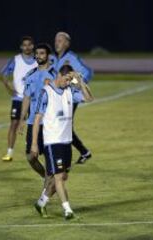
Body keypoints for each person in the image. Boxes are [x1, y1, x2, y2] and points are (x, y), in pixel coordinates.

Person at [32, 65, 94, 220]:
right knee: (59, 177)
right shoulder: (46, 92)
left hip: (67, 142)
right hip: (53, 142)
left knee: (61, 177)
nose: (68, 82)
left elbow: (89, 98)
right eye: (67, 79)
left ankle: (41, 203)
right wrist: (34, 143)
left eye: (70, 80)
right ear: (59, 75)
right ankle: (67, 210)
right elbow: (37, 119)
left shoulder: (70, 90)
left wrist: (80, 81)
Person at [52, 31, 94, 164]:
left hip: (70, 98)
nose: (56, 42)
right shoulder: (54, 59)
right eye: (56, 40)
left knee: (63, 125)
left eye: (60, 40)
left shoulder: (72, 58)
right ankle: (83, 152)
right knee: (63, 125)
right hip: (58, 97)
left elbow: (88, 72)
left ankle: (66, 157)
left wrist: (77, 84)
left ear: (67, 43)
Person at [19, 43, 57, 179]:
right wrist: (22, 119)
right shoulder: (30, 75)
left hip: (50, 123)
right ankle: (45, 178)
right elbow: (26, 98)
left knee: (49, 158)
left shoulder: (55, 74)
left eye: (42, 53)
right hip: (33, 122)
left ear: (48, 56)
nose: (38, 56)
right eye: (37, 53)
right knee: (31, 157)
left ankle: (49, 185)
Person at [0, 36, 38, 161]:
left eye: (29, 45)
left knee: (33, 124)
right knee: (14, 124)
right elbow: (4, 73)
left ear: (33, 46)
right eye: (24, 45)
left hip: (34, 99)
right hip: (18, 99)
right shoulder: (15, 60)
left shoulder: (38, 59)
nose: (27, 47)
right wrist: (9, 89)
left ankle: (31, 149)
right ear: (21, 47)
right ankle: (9, 153)